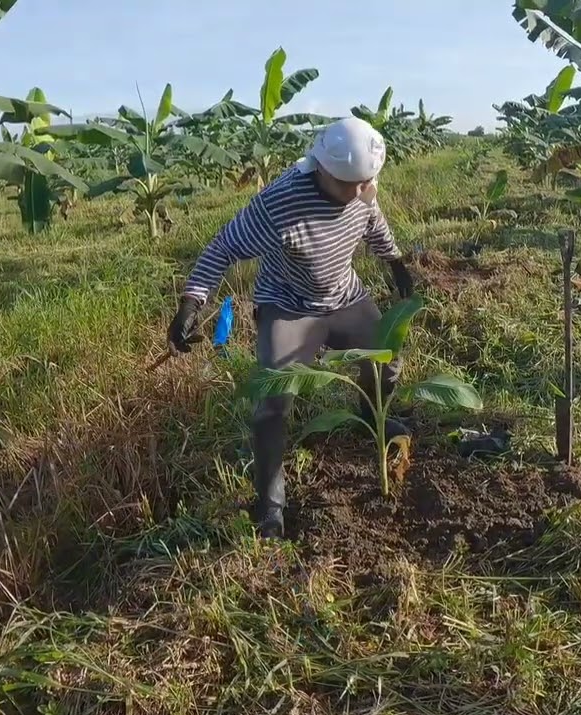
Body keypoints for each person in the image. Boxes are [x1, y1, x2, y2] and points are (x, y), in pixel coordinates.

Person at [167, 117, 415, 539]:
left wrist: (395, 263)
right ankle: (270, 504)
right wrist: (191, 302)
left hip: (345, 297)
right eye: (352, 184)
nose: (362, 191)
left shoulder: (361, 188)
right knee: (272, 400)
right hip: (288, 307)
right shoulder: (281, 202)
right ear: (323, 169)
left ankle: (371, 415)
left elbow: (374, 223)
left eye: (367, 181)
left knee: (386, 361)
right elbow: (223, 247)